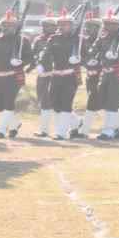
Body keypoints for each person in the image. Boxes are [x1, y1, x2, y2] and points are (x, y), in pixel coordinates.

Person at [0, 11, 32, 139]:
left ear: (16, 26)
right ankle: (14, 124)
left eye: (11, 25)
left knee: (8, 102)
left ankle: (1, 130)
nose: (7, 27)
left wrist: (20, 63)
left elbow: (29, 58)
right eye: (5, 25)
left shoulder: (23, 40)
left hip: (13, 76)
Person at [38, 10, 80, 140]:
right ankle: (77, 123)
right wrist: (41, 64)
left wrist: (79, 59)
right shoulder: (53, 38)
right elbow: (46, 53)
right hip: (56, 75)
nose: (62, 27)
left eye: (65, 24)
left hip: (70, 76)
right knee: (55, 105)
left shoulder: (79, 39)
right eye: (60, 24)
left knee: (66, 104)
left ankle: (61, 132)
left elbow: (90, 55)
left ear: (71, 25)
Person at [93, 9, 119, 140]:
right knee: (103, 100)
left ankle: (109, 130)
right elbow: (95, 50)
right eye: (107, 24)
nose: (109, 26)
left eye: (112, 24)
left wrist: (117, 56)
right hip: (105, 74)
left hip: (118, 73)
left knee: (112, 102)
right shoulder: (103, 38)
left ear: (118, 25)